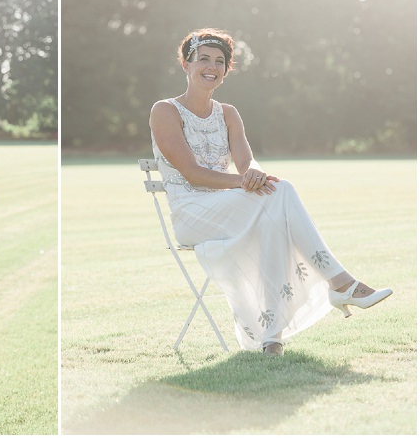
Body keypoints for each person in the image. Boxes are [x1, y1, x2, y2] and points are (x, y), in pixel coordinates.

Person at [149, 28, 392, 356]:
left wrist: (255, 175)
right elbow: (192, 174)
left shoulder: (228, 113)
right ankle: (340, 283)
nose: (211, 66)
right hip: (192, 213)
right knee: (279, 196)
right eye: (203, 59)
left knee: (275, 206)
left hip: (229, 207)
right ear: (186, 64)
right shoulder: (165, 111)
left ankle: (272, 338)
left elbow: (248, 163)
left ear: (226, 70)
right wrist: (243, 182)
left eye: (220, 61)